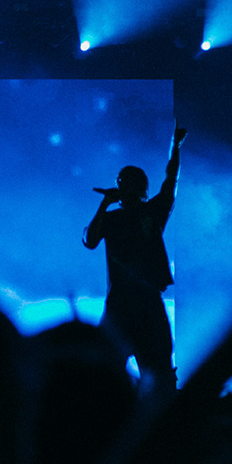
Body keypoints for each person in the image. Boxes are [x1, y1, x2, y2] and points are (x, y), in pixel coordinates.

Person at [84, 126, 186, 397]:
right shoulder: (112, 218)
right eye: (123, 183)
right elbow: (89, 240)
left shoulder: (152, 211)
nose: (125, 188)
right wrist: (104, 204)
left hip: (144, 299)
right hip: (123, 301)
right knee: (106, 366)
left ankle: (158, 408)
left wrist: (175, 147)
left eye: (129, 183)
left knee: (158, 368)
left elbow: (171, 180)